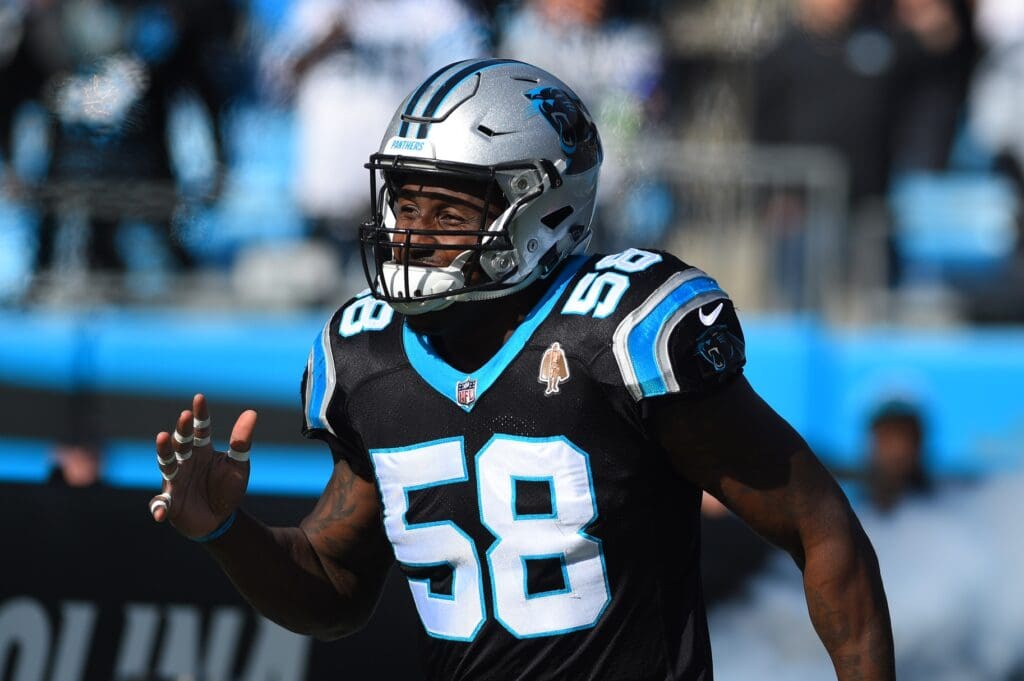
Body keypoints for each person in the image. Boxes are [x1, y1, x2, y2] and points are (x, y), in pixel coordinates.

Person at [148, 59, 894, 680]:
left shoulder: (620, 332)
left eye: (446, 212)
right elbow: (335, 590)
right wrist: (226, 530)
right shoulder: (368, 358)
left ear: (542, 205)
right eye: (404, 204)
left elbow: (822, 529)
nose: (411, 235)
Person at [865, 399, 932, 512]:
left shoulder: (949, 509)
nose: (897, 450)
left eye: (906, 438)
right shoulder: (853, 512)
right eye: (888, 438)